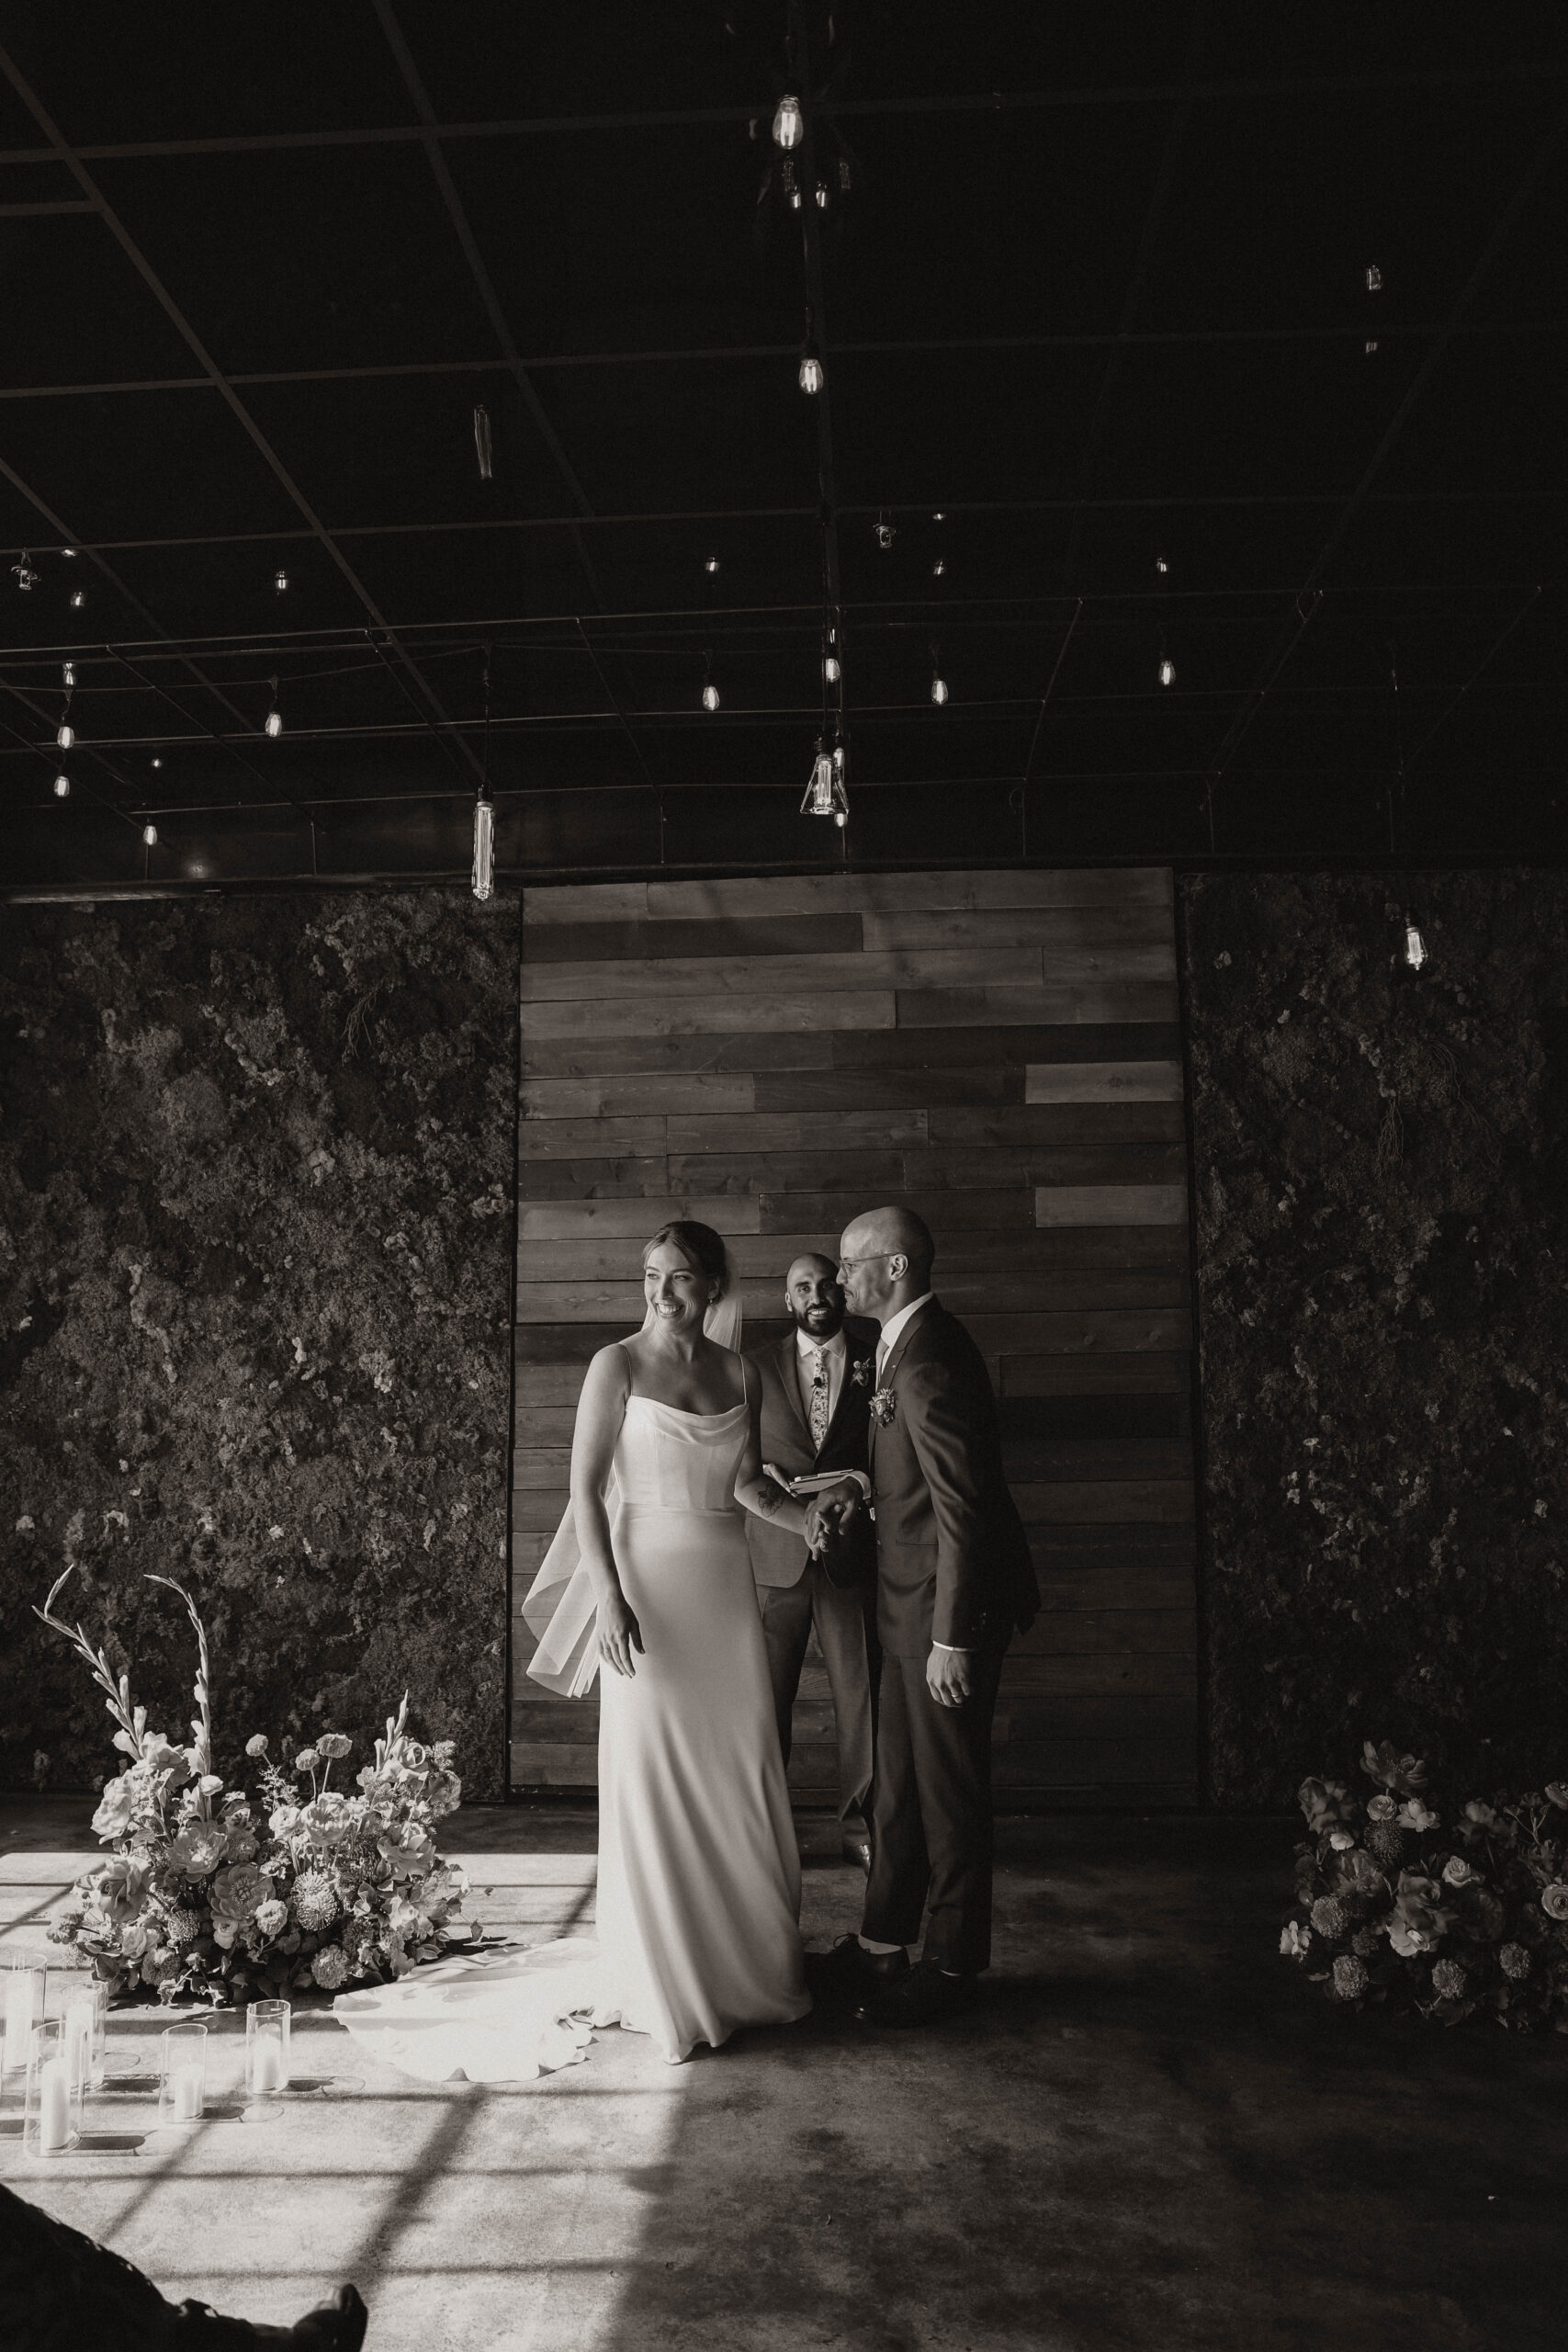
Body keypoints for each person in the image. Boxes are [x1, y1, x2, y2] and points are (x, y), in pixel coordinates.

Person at [333, 1221, 816, 2077]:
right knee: (655, 1776)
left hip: (722, 1598)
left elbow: (744, 1486)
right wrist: (611, 1598)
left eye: (677, 1279)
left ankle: (743, 1972)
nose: (659, 1294)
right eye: (649, 1276)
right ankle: (667, 1979)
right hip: (645, 1588)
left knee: (738, 1771)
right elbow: (585, 1493)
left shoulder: (740, 1371)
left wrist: (805, 1518)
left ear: (712, 1287)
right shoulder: (616, 1366)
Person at [804, 1206, 1039, 2030]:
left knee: (948, 1795)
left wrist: (953, 1638)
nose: (837, 1279)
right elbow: (910, 1481)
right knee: (897, 1790)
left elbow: (963, 1511)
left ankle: (950, 1965)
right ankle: (881, 1943)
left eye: (849, 1263)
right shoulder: (898, 1348)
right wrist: (860, 1490)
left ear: (894, 1269)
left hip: (939, 1622)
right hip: (902, 1612)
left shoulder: (928, 1359)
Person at [747, 1252, 879, 1869]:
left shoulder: (877, 1354)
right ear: (787, 1299)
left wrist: (857, 1485)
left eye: (827, 1283)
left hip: (852, 1546)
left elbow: (894, 1447)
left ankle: (863, 1827)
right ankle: (767, 1830)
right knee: (766, 1699)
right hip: (776, 1555)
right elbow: (741, 1464)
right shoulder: (755, 1368)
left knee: (861, 1697)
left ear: (841, 1292)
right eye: (803, 1286)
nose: (817, 1294)